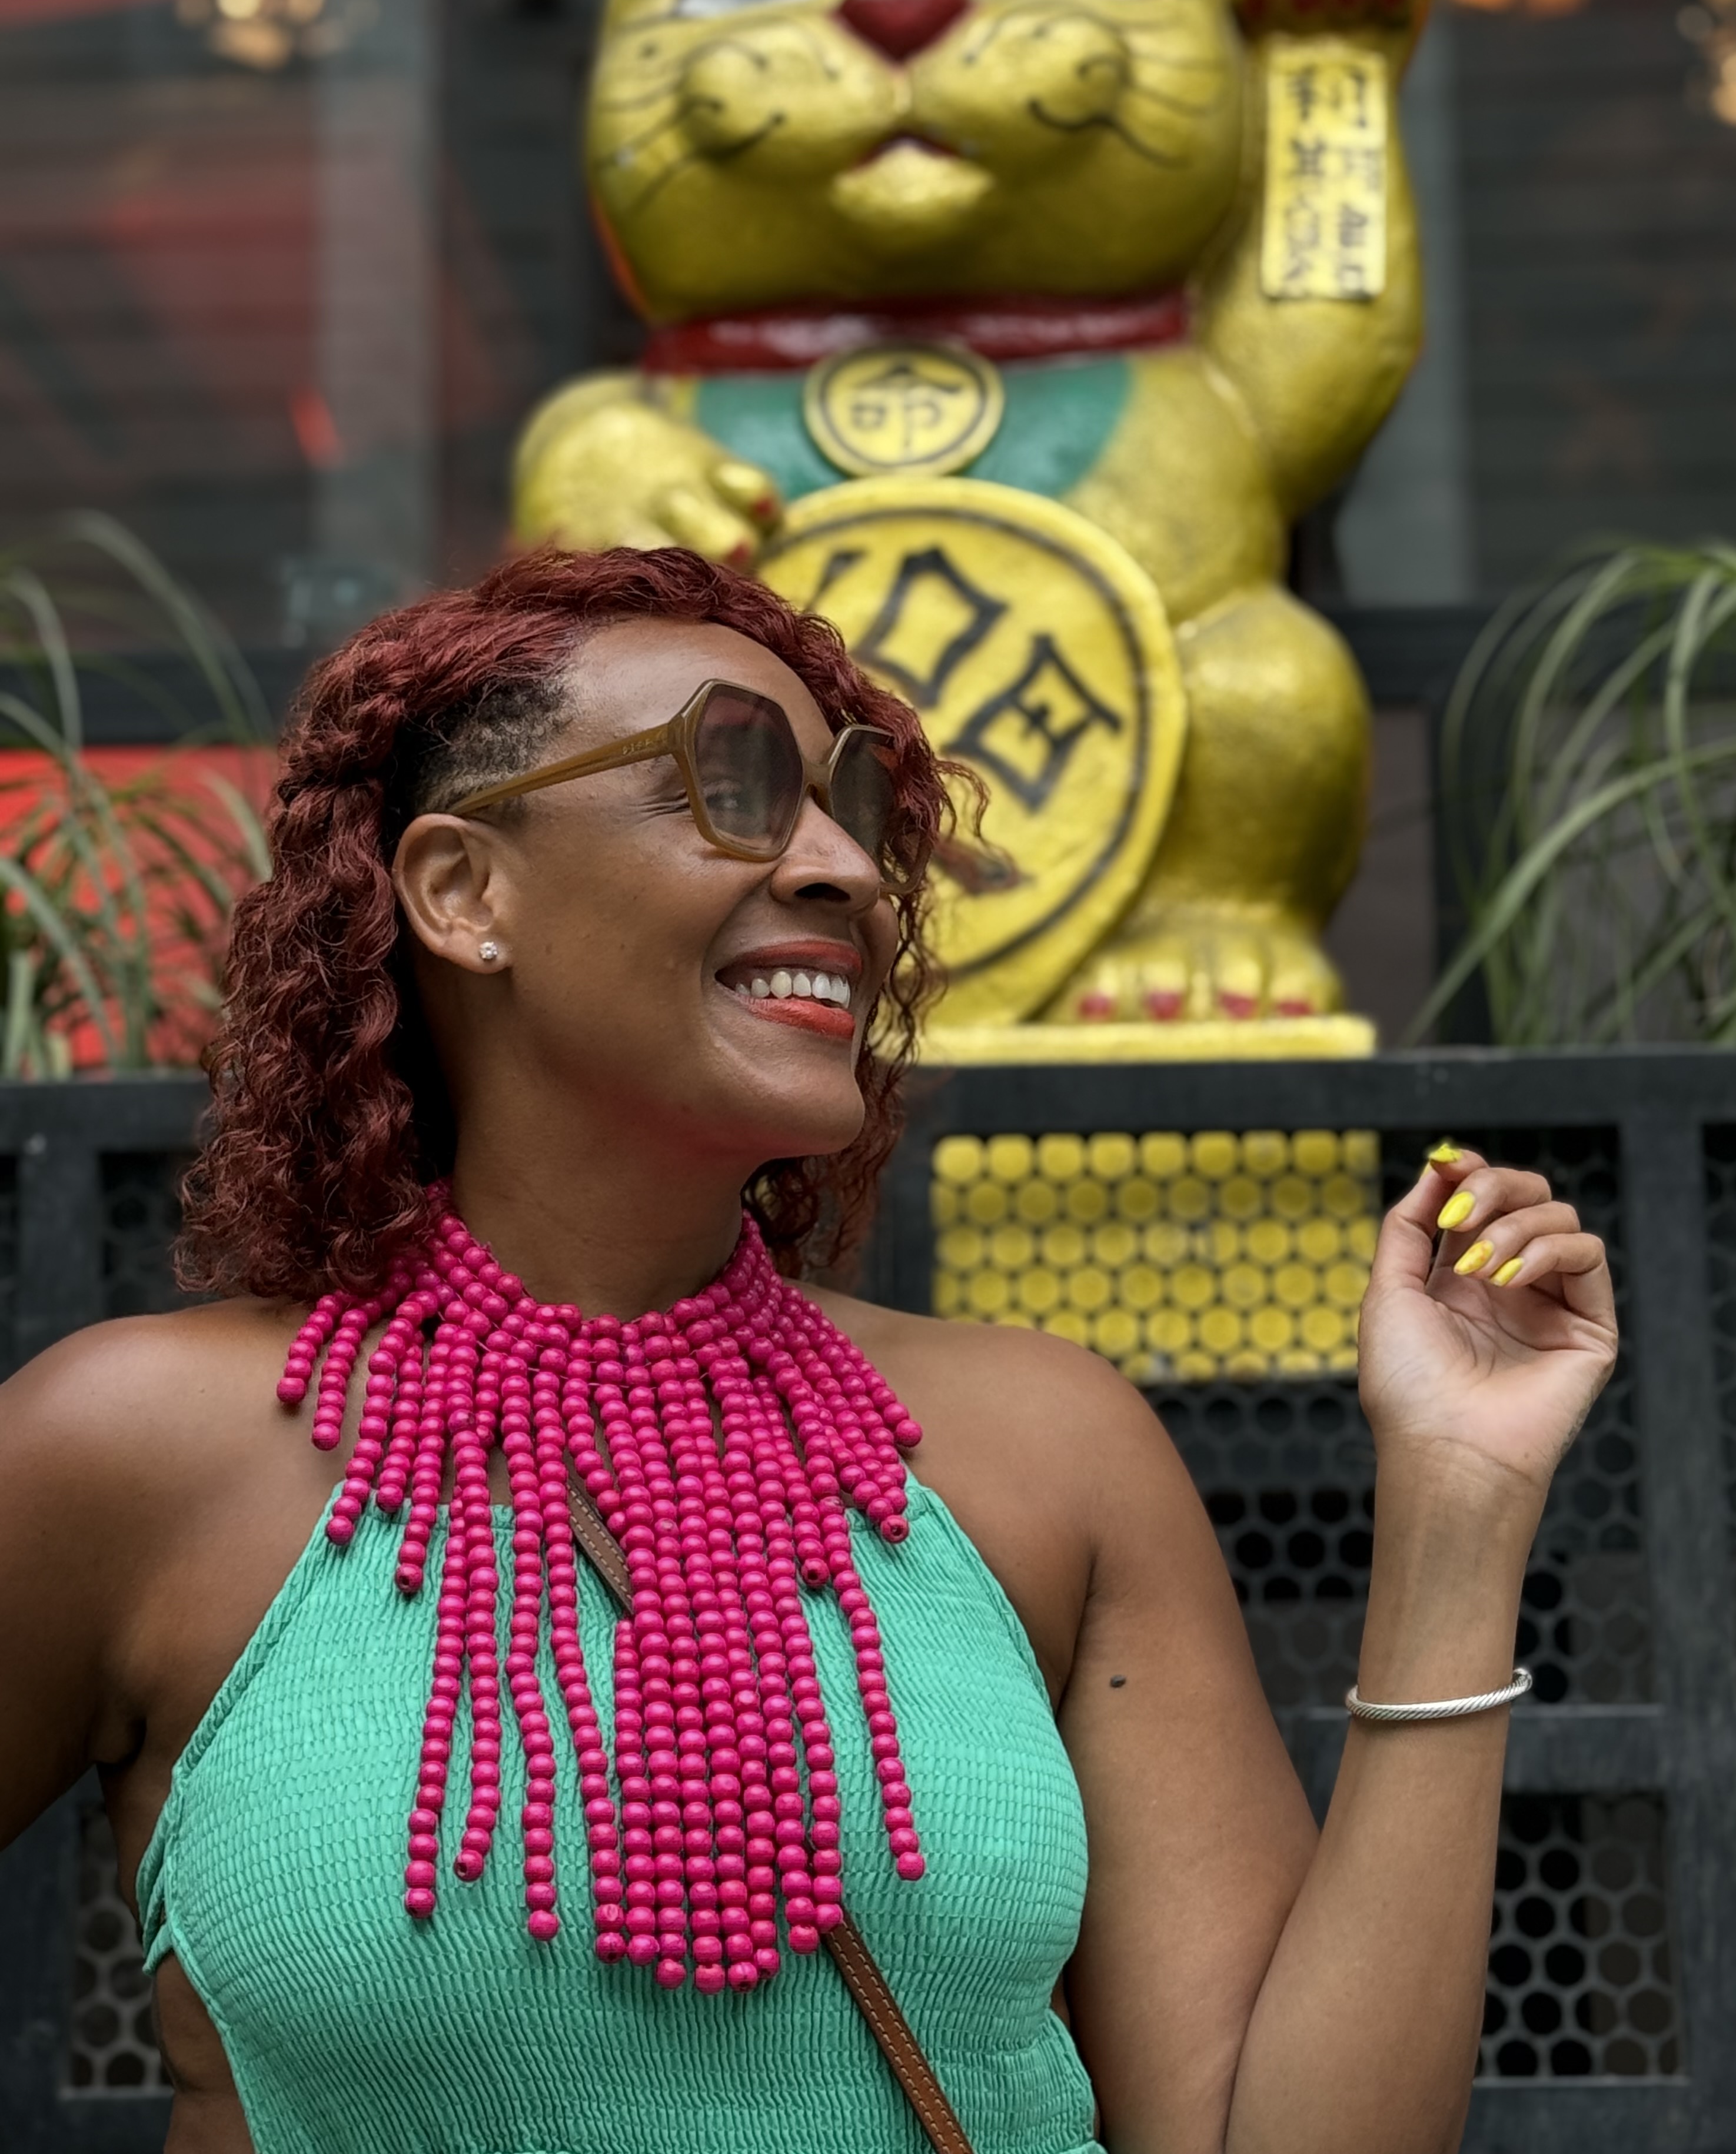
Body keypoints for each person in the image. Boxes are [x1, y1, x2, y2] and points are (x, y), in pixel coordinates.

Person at [0, 546, 1617, 2154]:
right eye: (733, 781)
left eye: (851, 804)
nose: (844, 865)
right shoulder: (135, 1456)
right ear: (462, 894)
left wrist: (1461, 1504)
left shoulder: (1046, 1452)